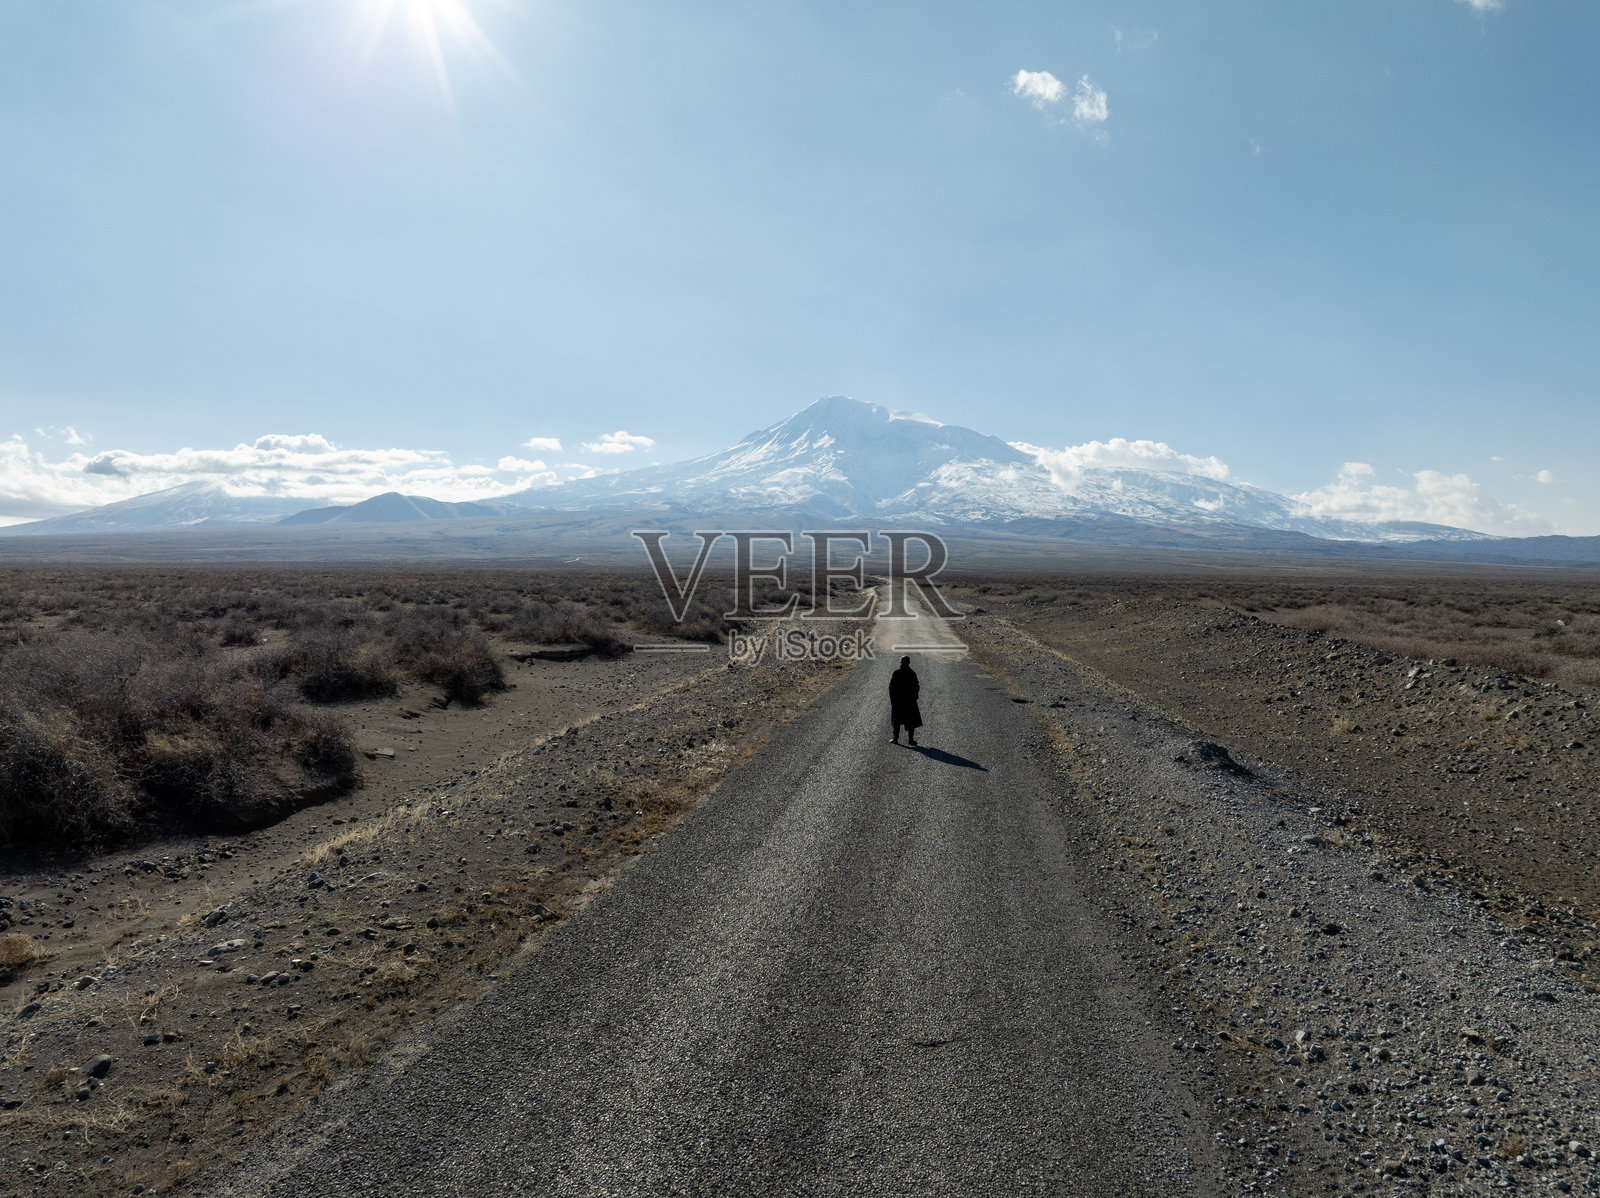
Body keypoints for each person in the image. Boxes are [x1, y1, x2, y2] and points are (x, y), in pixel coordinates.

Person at [888, 655, 921, 746]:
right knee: (910, 721)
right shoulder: (912, 673)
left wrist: (893, 700)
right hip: (910, 701)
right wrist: (915, 697)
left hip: (898, 701)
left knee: (897, 720)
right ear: (909, 662)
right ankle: (911, 739)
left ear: (900, 662)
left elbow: (891, 687)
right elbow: (916, 686)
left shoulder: (896, 673)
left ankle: (895, 739)